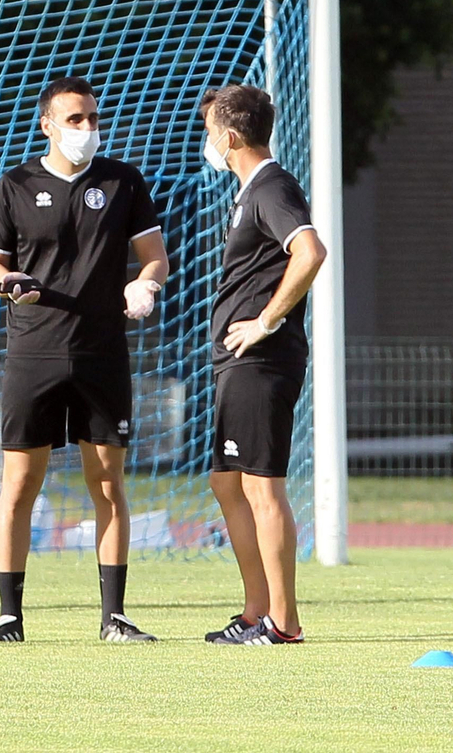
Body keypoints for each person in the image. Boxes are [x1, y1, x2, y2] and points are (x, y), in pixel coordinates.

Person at [0, 76, 170, 644]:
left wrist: (145, 286)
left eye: (91, 118)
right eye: (74, 119)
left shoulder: (122, 181)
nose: (86, 129)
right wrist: (7, 284)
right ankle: (9, 616)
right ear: (48, 126)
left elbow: (153, 257)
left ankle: (115, 617)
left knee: (107, 484)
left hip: (101, 351)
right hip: (32, 350)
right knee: (19, 484)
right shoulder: (14, 184)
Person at [198, 85, 325, 645]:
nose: (208, 143)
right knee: (227, 483)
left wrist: (266, 321)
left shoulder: (273, 186)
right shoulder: (248, 192)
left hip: (261, 359)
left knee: (261, 488)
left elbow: (311, 251)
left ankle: (285, 622)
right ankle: (255, 610)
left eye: (208, 132)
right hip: (237, 361)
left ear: (227, 136)